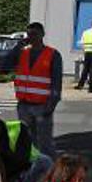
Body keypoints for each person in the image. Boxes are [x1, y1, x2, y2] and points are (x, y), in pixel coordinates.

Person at [10, 22, 62, 157]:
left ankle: (51, 171)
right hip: (24, 105)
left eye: (35, 34)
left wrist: (51, 104)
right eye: (29, 34)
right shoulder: (23, 53)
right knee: (27, 141)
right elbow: (5, 64)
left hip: (42, 106)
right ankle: (33, 169)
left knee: (45, 143)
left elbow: (56, 83)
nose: (31, 37)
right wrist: (18, 46)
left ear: (42, 35)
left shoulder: (52, 54)